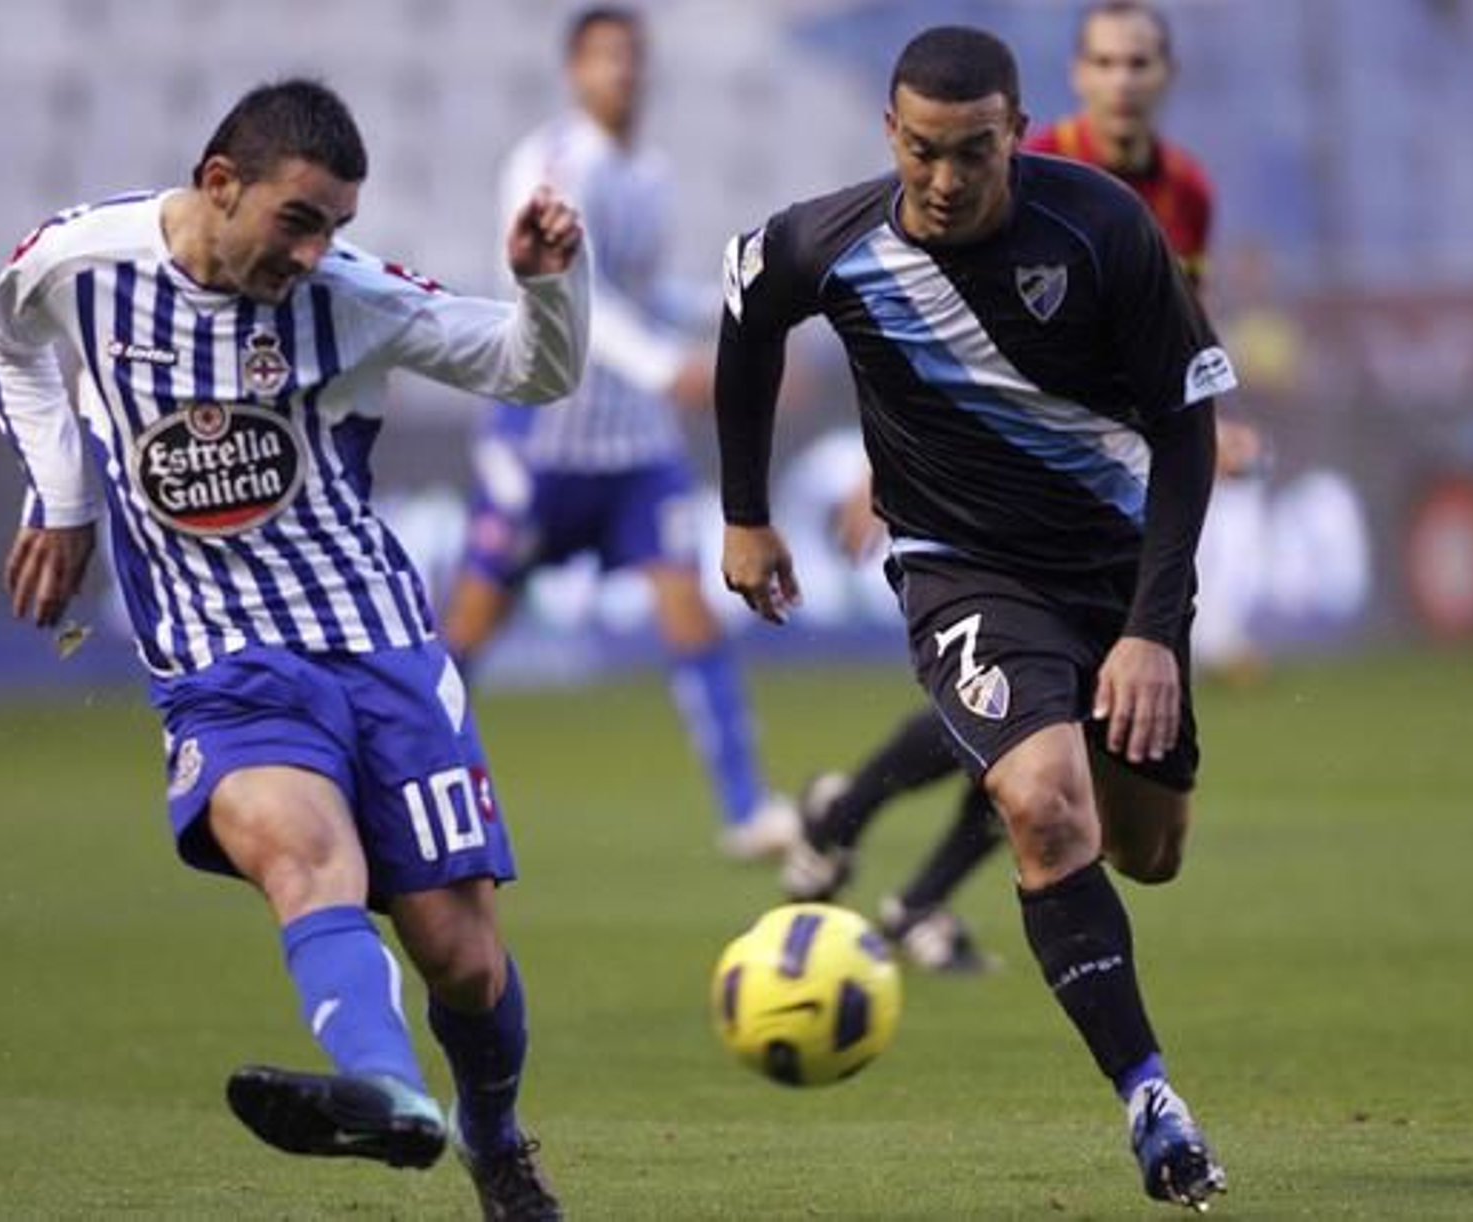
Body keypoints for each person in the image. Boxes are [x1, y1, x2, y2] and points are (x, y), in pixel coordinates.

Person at [0, 79, 585, 1220]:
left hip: (380, 646)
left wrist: (552, 288)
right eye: (298, 220)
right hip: (224, 665)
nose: (315, 252)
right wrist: (61, 493)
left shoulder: (346, 300)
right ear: (220, 184)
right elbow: (3, 333)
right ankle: (391, 1093)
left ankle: (492, 1137)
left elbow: (530, 369)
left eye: (335, 228)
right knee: (303, 855)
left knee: (461, 954)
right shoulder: (81, 261)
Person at [715, 25, 1232, 1210]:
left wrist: (1151, 628)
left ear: (1016, 134)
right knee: (1042, 806)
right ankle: (1151, 1101)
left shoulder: (1102, 228)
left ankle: (893, 815)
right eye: (922, 152)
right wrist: (745, 514)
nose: (944, 181)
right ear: (891, 135)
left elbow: (1185, 432)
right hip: (963, 570)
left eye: (973, 153)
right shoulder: (826, 241)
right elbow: (745, 317)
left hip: (1117, 567)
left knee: (1146, 851)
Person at [781, 0, 1263, 977]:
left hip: (1116, 489)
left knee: (1102, 786)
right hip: (1016, 497)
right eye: (1103, 60)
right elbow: (951, 345)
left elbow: (1178, 335)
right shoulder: (1023, 171)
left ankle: (860, 826)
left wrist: (1207, 417)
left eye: (1138, 61)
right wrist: (888, 466)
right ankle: (890, 862)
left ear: (1163, 76)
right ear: (1071, 86)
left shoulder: (1182, 193)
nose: (1121, 78)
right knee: (1036, 724)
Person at [438, 5, 795, 862]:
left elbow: (635, 292)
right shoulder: (553, 165)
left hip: (634, 453)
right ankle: (407, 783)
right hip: (545, 444)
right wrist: (666, 367)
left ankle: (746, 807)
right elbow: (566, 300)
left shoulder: (652, 173)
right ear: (574, 71)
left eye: (631, 58)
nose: (621, 73)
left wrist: (741, 319)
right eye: (603, 60)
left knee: (691, 616)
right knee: (468, 634)